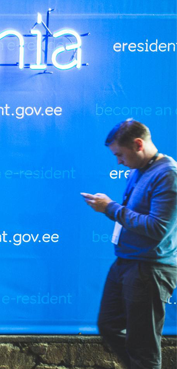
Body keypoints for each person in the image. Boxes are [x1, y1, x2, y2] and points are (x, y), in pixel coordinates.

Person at [82, 119, 177, 369]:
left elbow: (158, 228)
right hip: (126, 262)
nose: (118, 162)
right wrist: (110, 207)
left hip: (150, 269)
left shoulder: (168, 174)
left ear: (138, 144)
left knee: (143, 347)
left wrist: (111, 208)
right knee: (109, 325)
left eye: (120, 155)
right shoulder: (140, 170)